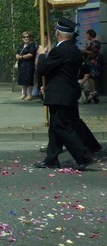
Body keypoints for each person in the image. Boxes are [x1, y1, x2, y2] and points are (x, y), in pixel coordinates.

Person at [35, 17, 93, 170]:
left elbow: (43, 69)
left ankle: (83, 156)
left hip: (60, 95)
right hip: (68, 93)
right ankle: (51, 159)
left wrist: (41, 55)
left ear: (58, 33)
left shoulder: (61, 50)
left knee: (61, 127)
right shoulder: (74, 49)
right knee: (55, 127)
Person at [16, 31, 37, 100]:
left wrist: (21, 57)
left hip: (29, 65)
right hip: (22, 65)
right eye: (24, 37)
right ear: (22, 38)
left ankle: (29, 94)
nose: (26, 38)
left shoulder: (32, 45)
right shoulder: (20, 45)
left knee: (28, 80)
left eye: (27, 37)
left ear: (30, 37)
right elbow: (17, 52)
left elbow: (31, 54)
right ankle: (24, 94)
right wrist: (17, 56)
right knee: (22, 79)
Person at [81, 29, 101, 104]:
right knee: (90, 77)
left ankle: (93, 92)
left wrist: (84, 51)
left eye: (87, 34)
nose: (86, 36)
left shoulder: (96, 43)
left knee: (91, 76)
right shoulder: (92, 43)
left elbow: (93, 53)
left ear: (90, 34)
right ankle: (93, 93)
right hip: (90, 62)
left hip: (93, 62)